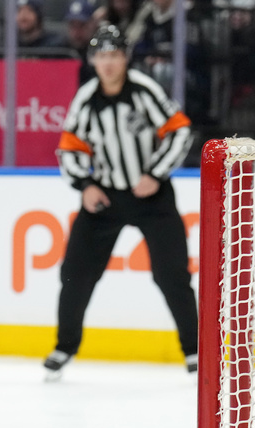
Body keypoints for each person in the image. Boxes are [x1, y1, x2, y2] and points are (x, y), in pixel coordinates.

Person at [45, 25, 197, 379]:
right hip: (105, 197)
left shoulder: (144, 91)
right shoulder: (87, 98)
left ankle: (194, 350)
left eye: (115, 55)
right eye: (102, 56)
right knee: (75, 274)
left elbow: (180, 130)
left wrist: (156, 174)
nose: (108, 63)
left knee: (172, 274)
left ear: (125, 58)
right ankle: (64, 346)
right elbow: (68, 147)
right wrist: (84, 184)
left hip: (152, 197)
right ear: (93, 60)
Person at [63, 0, 98, 85]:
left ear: (92, 24)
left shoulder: (100, 51)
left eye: (82, 25)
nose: (76, 31)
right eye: (73, 25)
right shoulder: (60, 50)